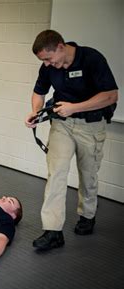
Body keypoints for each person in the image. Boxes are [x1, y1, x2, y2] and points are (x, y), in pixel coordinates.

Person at [25, 30, 118, 251]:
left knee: (88, 174)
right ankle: (53, 231)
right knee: (55, 173)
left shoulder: (92, 58)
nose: (47, 64)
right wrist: (35, 112)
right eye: (43, 61)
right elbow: (39, 92)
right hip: (62, 124)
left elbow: (111, 95)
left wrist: (74, 108)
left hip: (91, 124)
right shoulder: (48, 67)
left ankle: (87, 215)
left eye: (48, 58)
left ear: (60, 46)